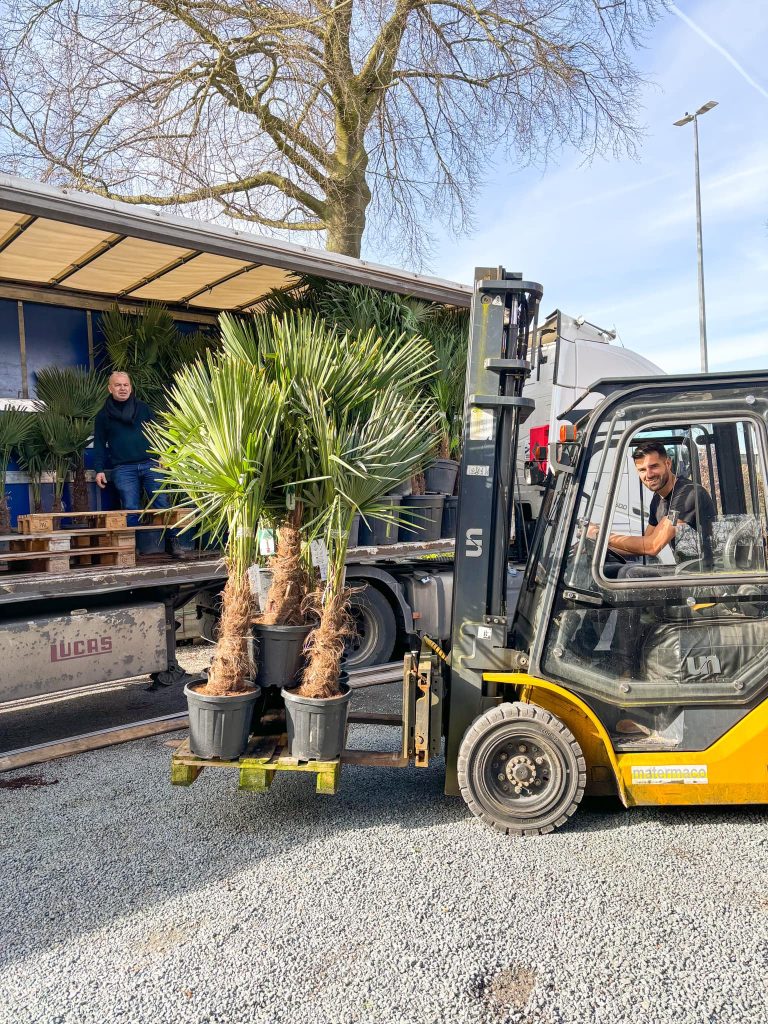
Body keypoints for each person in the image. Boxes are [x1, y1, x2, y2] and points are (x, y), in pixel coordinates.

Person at [93, 372, 185, 558]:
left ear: (131, 387)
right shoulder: (103, 416)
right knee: (130, 507)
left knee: (162, 503)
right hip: (123, 468)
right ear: (110, 388)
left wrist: (164, 455)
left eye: (126, 385)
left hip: (150, 463)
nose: (123, 388)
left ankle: (172, 543)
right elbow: (100, 444)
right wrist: (99, 470)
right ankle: (132, 547)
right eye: (118, 385)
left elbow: (157, 433)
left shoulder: (143, 408)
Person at [588, 440, 715, 565]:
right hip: (686, 570)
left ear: (668, 464)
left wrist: (601, 535)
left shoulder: (688, 493)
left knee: (629, 574)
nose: (648, 475)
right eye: (642, 470)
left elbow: (653, 546)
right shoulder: (657, 499)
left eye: (653, 466)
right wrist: (597, 546)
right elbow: (643, 547)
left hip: (705, 575)